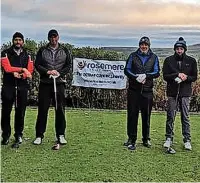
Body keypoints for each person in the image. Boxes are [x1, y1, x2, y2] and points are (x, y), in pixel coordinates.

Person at [33, 29, 72, 145]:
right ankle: (39, 135)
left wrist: (59, 73)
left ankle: (60, 135)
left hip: (59, 83)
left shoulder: (64, 50)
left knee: (59, 109)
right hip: (45, 83)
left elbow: (68, 65)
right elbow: (37, 65)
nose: (53, 39)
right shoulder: (42, 50)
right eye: (51, 37)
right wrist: (48, 72)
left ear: (58, 37)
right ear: (48, 38)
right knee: (42, 109)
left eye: (55, 37)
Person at [124, 36, 160, 150]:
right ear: (139, 45)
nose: (143, 46)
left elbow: (157, 71)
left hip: (147, 90)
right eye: (142, 44)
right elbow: (127, 69)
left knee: (146, 116)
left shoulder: (154, 57)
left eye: (146, 45)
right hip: (134, 90)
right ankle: (131, 138)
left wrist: (146, 76)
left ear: (148, 46)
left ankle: (146, 139)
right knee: (132, 115)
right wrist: (135, 77)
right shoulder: (133, 56)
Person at [163, 37, 198, 151]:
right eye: (177, 49)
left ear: (184, 49)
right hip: (172, 92)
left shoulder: (191, 61)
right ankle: (169, 138)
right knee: (170, 115)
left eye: (181, 49)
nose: (179, 51)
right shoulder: (168, 60)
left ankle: (187, 139)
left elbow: (194, 77)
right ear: (175, 49)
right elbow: (165, 76)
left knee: (185, 116)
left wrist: (186, 77)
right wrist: (177, 75)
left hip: (185, 92)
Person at [1, 32, 34, 146]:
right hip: (8, 86)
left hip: (22, 86)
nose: (18, 42)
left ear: (23, 42)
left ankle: (18, 135)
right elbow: (7, 68)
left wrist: (22, 74)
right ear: (12, 41)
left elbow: (30, 71)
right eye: (16, 40)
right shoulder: (5, 53)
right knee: (6, 112)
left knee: (20, 112)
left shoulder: (28, 55)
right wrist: (22, 69)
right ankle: (5, 136)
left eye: (20, 40)